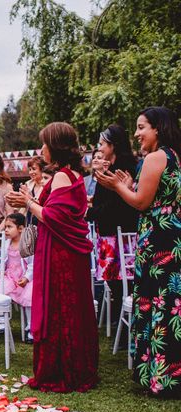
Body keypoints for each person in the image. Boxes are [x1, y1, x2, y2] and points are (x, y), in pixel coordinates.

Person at [6, 122, 98, 393]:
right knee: (71, 307)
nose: (41, 148)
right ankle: (78, 365)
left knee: (59, 307)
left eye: (44, 143)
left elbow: (52, 217)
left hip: (59, 253)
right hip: (64, 251)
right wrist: (27, 199)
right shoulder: (73, 175)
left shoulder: (60, 176)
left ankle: (61, 369)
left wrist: (27, 203)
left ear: (55, 145)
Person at [96, 106, 181, 398]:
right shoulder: (175, 157)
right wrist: (129, 186)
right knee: (172, 303)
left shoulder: (155, 158)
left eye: (141, 127)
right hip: (173, 237)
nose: (136, 133)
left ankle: (160, 377)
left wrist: (118, 186)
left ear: (158, 128)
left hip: (158, 241)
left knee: (157, 301)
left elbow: (142, 203)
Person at [86, 125, 139, 328]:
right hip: (107, 231)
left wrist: (89, 213)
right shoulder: (108, 167)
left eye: (102, 144)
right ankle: (119, 316)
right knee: (111, 277)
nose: (100, 148)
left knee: (124, 278)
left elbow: (116, 204)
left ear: (112, 145)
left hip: (121, 231)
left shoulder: (124, 168)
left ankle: (125, 320)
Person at [0, 213, 34, 342]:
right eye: (6, 227)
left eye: (10, 227)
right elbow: (2, 261)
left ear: (20, 228)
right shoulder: (6, 243)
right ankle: (2, 320)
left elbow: (32, 264)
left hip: (24, 277)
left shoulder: (27, 243)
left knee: (29, 296)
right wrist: (1, 271)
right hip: (10, 276)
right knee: (0, 289)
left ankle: (30, 327)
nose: (6, 230)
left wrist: (26, 278)